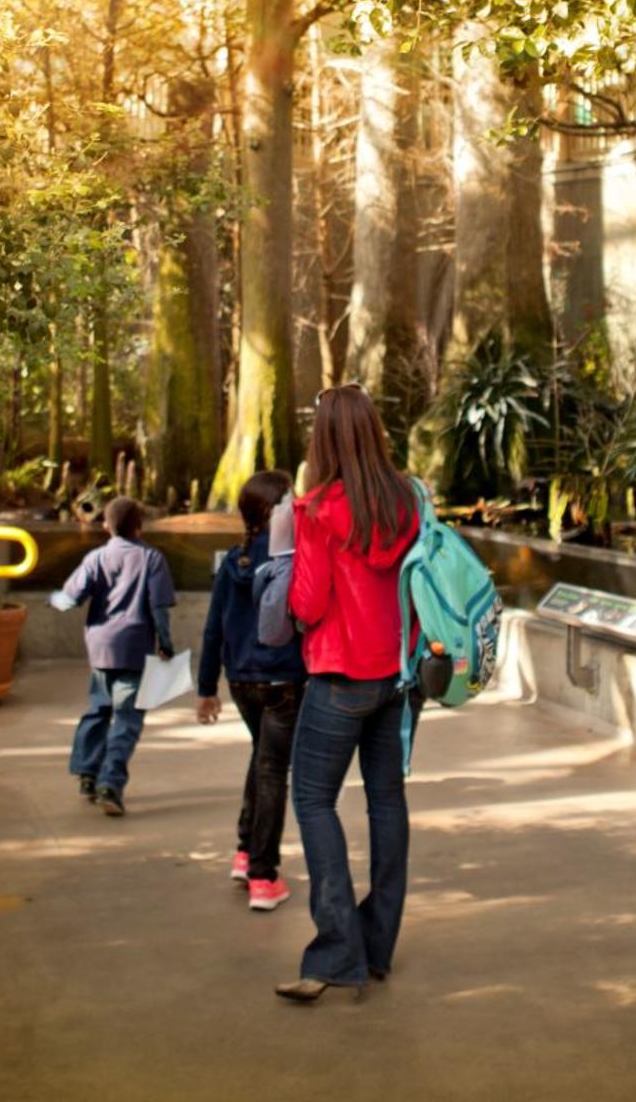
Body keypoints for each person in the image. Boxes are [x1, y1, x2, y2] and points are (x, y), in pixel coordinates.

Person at [277, 384, 422, 1004]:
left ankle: (339, 952)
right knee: (385, 802)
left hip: (339, 677)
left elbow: (306, 604)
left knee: (312, 800)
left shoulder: (316, 512)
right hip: (398, 676)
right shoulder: (408, 501)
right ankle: (377, 944)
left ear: (324, 438)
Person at [195, 468, 305, 913]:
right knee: (274, 770)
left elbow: (212, 628)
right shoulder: (291, 559)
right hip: (283, 680)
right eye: (291, 501)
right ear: (277, 510)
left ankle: (245, 851)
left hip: (241, 680)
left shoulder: (232, 563)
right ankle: (263, 874)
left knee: (263, 758)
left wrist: (207, 687)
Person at [49, 495, 174, 816]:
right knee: (128, 717)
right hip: (135, 647)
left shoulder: (96, 558)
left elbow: (69, 599)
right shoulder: (152, 559)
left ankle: (87, 773)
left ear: (106, 526)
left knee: (99, 707)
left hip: (100, 646)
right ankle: (111, 782)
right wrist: (166, 643)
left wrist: (54, 598)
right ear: (140, 527)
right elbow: (159, 607)